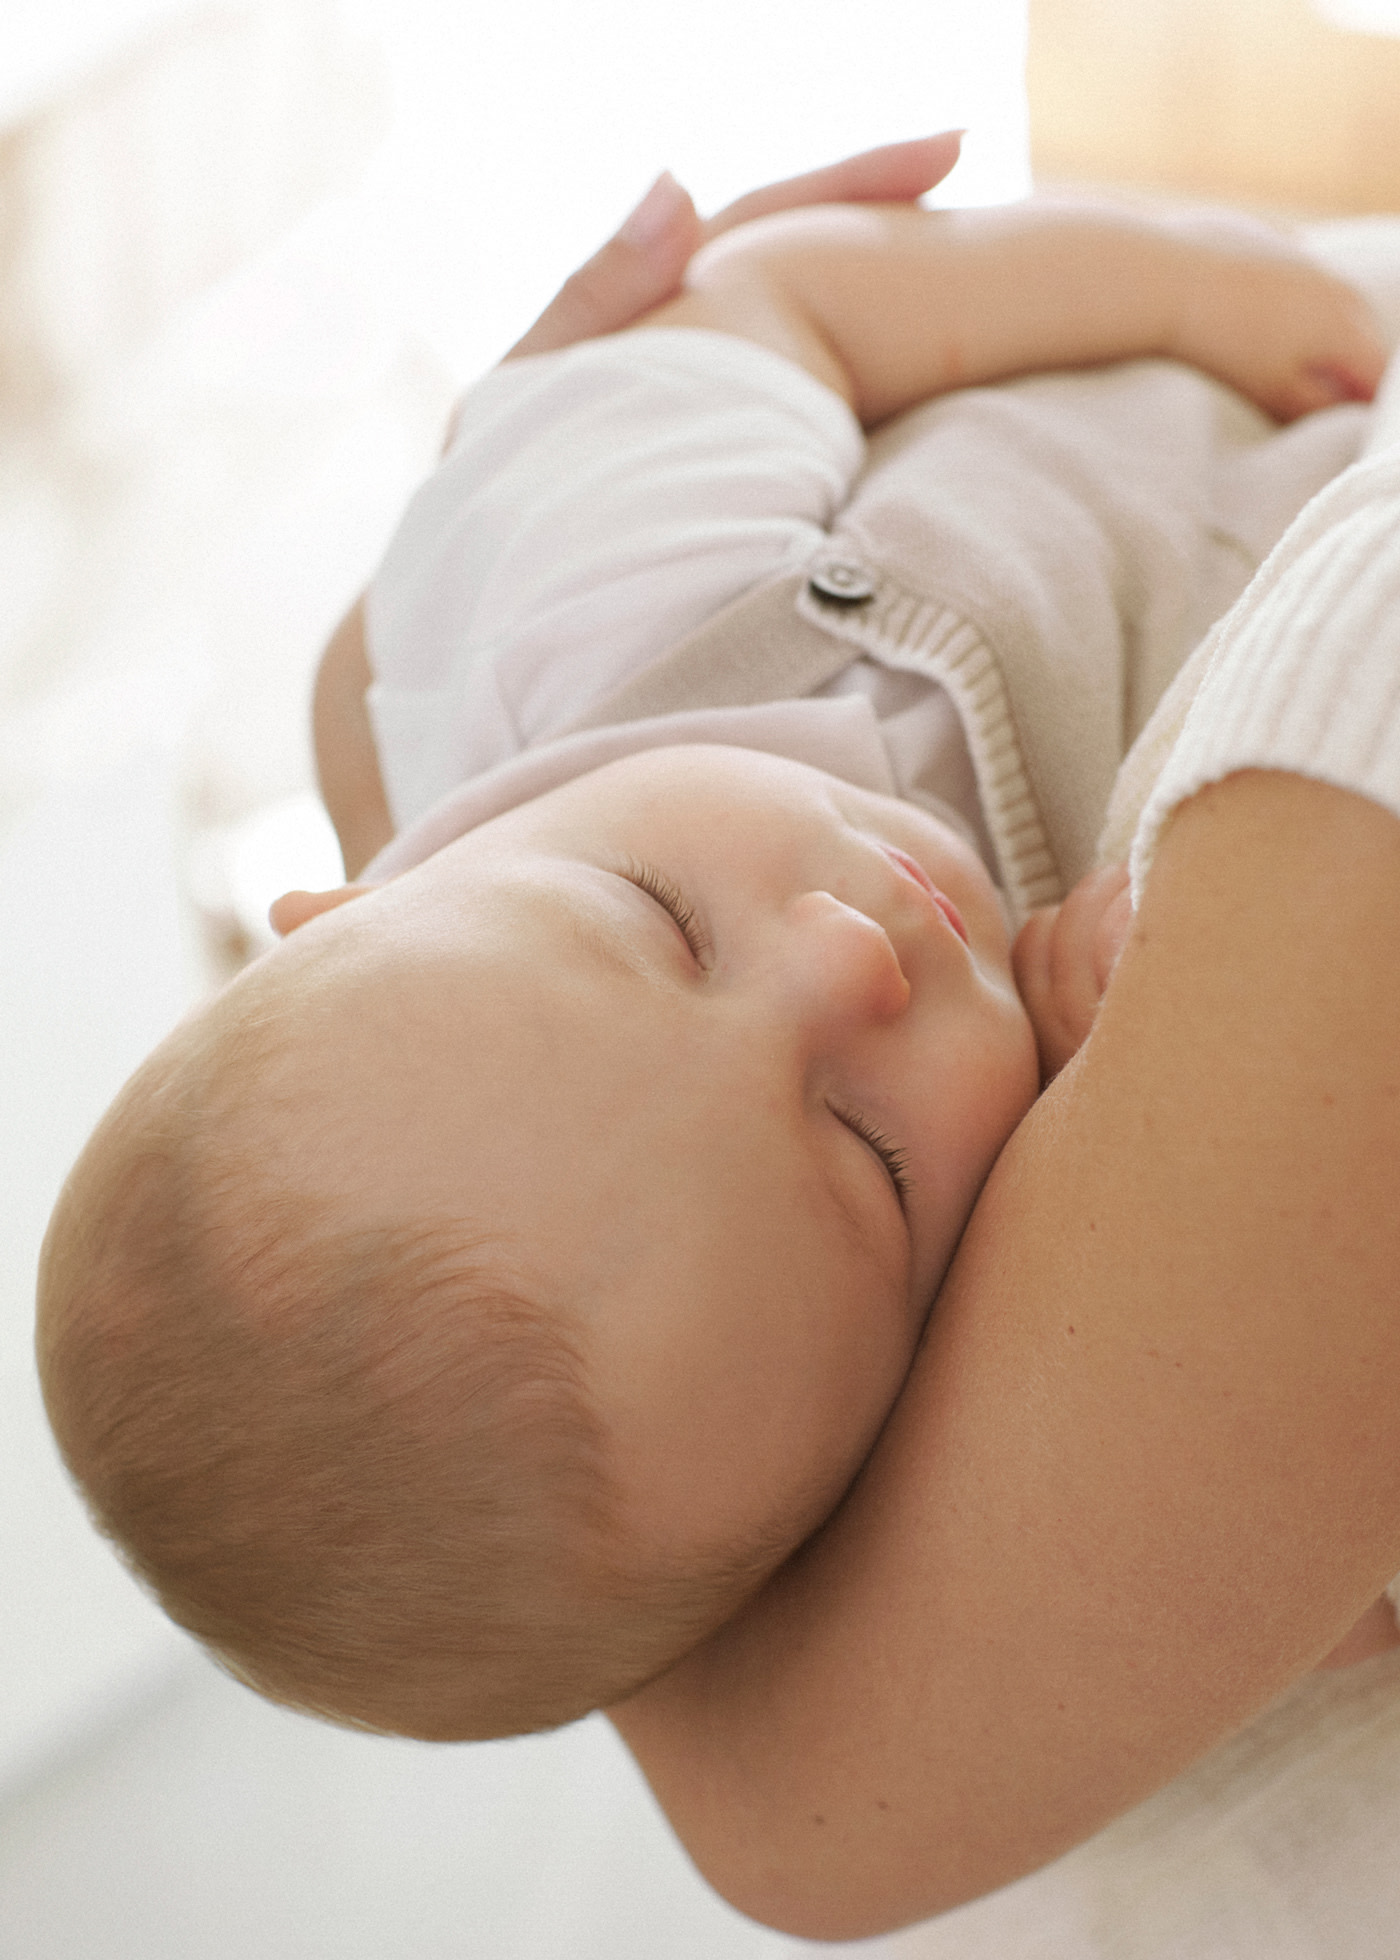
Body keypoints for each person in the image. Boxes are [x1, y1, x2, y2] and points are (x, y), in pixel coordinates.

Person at [33, 144, 1393, 1785]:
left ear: (360, 888)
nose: (850, 961)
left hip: (1257, 348)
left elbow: (793, 301)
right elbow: (1217, 1529)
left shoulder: (577, 607)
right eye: (867, 1157)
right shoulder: (943, 1339)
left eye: (656, 925)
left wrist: (1214, 289)